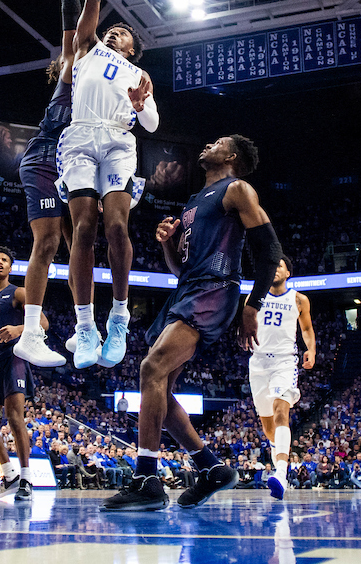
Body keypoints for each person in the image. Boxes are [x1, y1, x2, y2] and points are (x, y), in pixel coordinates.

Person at [100, 135, 283, 511]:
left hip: (215, 289)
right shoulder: (195, 202)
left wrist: (253, 305)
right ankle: (210, 467)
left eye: (217, 143)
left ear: (231, 156)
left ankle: (147, 478)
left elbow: (270, 250)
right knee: (160, 390)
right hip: (188, 289)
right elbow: (181, 269)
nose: (207, 144)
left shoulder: (237, 189)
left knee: (151, 367)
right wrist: (168, 244)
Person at [57, 0, 159, 370]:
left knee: (116, 225)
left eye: (123, 31)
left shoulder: (138, 74)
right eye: (112, 27)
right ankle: (85, 323)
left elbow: (154, 125)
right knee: (82, 228)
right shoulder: (87, 45)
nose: (114, 29)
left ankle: (119, 315)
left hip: (119, 139)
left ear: (133, 48)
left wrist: (141, 106)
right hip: (80, 136)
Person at [11, 0, 89, 370]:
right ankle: (32, 331)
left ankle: (83, 326)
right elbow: (72, 13)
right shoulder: (72, 69)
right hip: (43, 159)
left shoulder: (104, 90)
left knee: (78, 241)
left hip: (70, 167)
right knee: (46, 245)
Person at [0, 247, 44, 502]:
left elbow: (43, 323)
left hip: (13, 359)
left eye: (4, 260)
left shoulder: (18, 292)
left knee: (15, 417)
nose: (0, 263)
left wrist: (18, 328)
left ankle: (26, 478)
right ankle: (10, 475)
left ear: (11, 267)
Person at [248, 256, 315, 500]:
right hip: (258, 362)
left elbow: (306, 329)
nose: (275, 269)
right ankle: (278, 452)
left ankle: (282, 472)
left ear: (288, 273)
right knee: (268, 427)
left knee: (280, 413)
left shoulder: (298, 299)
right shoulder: (255, 296)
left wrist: (311, 349)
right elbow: (245, 322)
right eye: (272, 265)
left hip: (285, 361)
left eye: (280, 266)